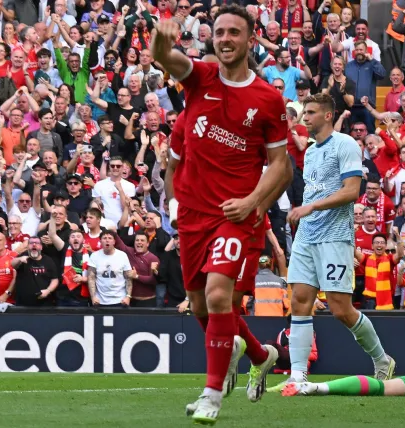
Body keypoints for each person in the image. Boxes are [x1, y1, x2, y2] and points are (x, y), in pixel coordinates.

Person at [154, 6, 291, 422]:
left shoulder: (268, 100)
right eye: (219, 33)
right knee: (199, 305)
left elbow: (282, 167)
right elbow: (165, 56)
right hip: (194, 215)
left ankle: (211, 394)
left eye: (235, 32)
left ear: (251, 40)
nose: (226, 39)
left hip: (236, 214)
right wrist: (163, 35)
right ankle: (256, 352)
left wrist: (253, 202)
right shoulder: (200, 79)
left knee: (219, 296)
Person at [271, 93, 395, 394]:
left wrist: (310, 208)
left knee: (341, 309)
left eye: (311, 112)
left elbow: (352, 191)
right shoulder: (311, 150)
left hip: (335, 236)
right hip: (307, 235)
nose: (305, 118)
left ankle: (382, 359)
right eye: (305, 112)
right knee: (300, 301)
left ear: (328, 115)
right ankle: (297, 376)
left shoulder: (345, 144)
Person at [10, 236, 58, 306]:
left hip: (43, 303)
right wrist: (19, 259)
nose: (34, 245)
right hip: (23, 304)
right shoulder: (23, 256)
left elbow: (55, 280)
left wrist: (48, 290)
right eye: (31, 243)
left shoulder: (48, 261)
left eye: (37, 243)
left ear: (41, 247)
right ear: (28, 247)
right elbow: (13, 264)